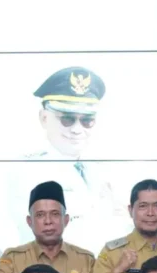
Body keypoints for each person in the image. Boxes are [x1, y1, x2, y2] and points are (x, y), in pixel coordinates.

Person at [20, 66, 116, 251]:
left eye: (87, 120)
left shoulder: (102, 169)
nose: (77, 129)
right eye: (67, 119)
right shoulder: (26, 172)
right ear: (44, 118)